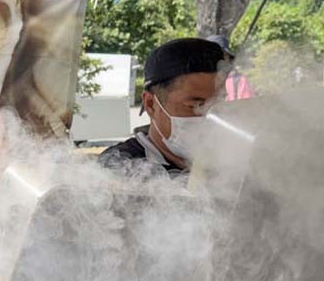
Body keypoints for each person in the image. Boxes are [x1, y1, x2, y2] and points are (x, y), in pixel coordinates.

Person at [98, 37, 226, 178]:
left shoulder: (229, 162)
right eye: (196, 105)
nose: (208, 116)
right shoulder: (117, 165)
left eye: (217, 104)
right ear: (150, 104)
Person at [208, 34, 254, 101]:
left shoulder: (239, 81)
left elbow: (248, 108)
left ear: (227, 57)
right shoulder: (197, 82)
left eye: (218, 53)